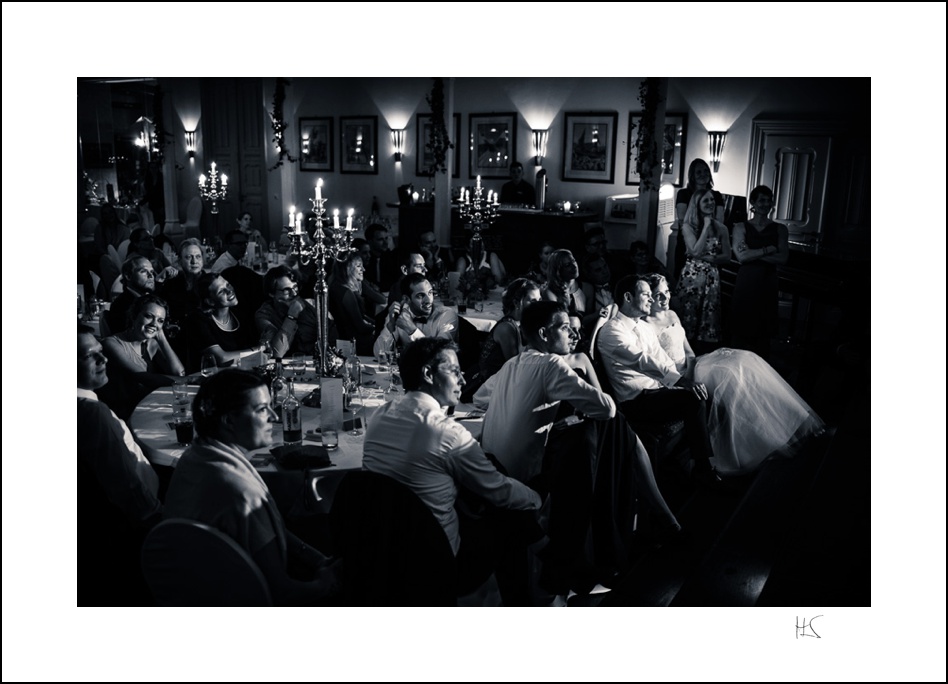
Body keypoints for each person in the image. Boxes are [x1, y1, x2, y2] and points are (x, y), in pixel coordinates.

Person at [476, 301, 680, 590]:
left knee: (589, 434)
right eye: (564, 327)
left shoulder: (512, 364)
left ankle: (652, 519)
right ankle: (643, 524)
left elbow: (480, 398)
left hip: (496, 469)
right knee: (613, 425)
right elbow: (606, 408)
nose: (571, 333)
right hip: (526, 479)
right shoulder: (550, 364)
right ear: (545, 333)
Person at [362, 338, 543, 604]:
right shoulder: (446, 432)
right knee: (510, 515)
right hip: (436, 562)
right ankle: (529, 598)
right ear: (427, 374)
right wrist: (536, 499)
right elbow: (500, 491)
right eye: (455, 371)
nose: (462, 379)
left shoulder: (379, 415)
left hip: (382, 551)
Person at [162, 369, 340, 606]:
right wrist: (325, 584)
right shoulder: (239, 491)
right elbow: (282, 592)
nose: (275, 417)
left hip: (192, 588)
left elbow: (266, 530)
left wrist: (316, 558)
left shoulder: (194, 457)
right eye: (261, 410)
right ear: (228, 420)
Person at [644, 273, 823, 474]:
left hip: (696, 366)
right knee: (730, 376)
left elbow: (689, 352)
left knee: (745, 360)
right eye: (659, 294)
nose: (665, 297)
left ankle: (791, 425)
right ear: (648, 297)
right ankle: (755, 445)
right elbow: (657, 366)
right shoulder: (646, 326)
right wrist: (686, 379)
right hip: (679, 377)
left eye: (667, 291)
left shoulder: (672, 315)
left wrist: (694, 368)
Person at [596, 275, 724, 486]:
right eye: (646, 294)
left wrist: (679, 382)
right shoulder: (612, 331)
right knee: (692, 400)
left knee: (703, 394)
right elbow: (642, 361)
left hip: (656, 392)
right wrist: (682, 383)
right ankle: (703, 470)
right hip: (635, 401)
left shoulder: (644, 327)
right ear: (628, 297)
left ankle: (688, 465)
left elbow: (661, 359)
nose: (650, 299)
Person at [78, 323, 162, 605]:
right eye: (88, 355)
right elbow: (126, 485)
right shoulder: (91, 414)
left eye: (101, 352)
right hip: (134, 533)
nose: (103, 360)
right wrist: (161, 524)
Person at [101, 294, 188, 416]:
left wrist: (161, 338)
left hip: (146, 407)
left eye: (160, 320)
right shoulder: (112, 343)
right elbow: (144, 378)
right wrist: (189, 380)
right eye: (148, 316)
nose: (154, 323)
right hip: (122, 413)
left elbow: (178, 373)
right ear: (134, 316)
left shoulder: (152, 344)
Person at [730, 184, 789, 359]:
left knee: (763, 335)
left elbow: (783, 258)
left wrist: (752, 254)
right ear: (753, 203)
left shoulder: (780, 229)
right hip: (746, 282)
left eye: (769, 200)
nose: (765, 204)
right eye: (761, 200)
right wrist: (768, 249)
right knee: (740, 330)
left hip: (767, 282)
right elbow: (741, 258)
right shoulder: (740, 227)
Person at [461, 277, 540, 401]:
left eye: (539, 300)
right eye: (533, 301)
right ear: (517, 302)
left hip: (505, 382)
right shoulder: (506, 328)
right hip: (488, 388)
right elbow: (517, 366)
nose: (538, 305)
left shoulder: (520, 324)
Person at [673, 187, 731, 347]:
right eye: (706, 200)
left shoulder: (722, 228)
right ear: (696, 204)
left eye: (712, 199)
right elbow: (695, 250)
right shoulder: (687, 226)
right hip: (691, 277)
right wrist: (705, 227)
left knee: (707, 321)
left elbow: (727, 256)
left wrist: (710, 257)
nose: (710, 203)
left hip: (711, 278)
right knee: (687, 318)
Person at [186, 272, 264, 370]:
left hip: (239, 374)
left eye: (228, 285)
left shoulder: (239, 314)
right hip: (209, 380)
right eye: (221, 291)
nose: (229, 290)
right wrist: (258, 350)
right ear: (210, 301)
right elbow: (222, 358)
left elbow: (260, 358)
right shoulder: (198, 320)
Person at [373, 273, 458, 359]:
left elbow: (441, 355)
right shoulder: (400, 314)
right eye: (420, 296)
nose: (428, 300)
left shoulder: (447, 315)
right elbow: (379, 355)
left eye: (430, 293)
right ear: (406, 299)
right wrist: (390, 327)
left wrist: (411, 330)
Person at [673, 159, 724, 285]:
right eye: (699, 172)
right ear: (692, 175)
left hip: (710, 245)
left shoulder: (716, 195)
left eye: (706, 171)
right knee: (685, 283)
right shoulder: (684, 194)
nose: (703, 174)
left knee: (708, 282)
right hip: (688, 243)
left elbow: (719, 222)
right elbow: (683, 220)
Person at [255, 265, 322, 358]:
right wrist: (291, 316)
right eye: (286, 290)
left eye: (295, 287)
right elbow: (277, 352)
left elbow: (332, 337)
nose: (294, 293)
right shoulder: (264, 315)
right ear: (271, 293)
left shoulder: (311, 304)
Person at [327, 251, 376, 355]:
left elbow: (361, 316)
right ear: (348, 269)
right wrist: (379, 328)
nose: (363, 269)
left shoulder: (335, 286)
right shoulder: (346, 293)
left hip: (346, 340)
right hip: (355, 343)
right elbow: (360, 326)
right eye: (359, 266)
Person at [106, 256, 157, 335]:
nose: (151, 276)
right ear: (128, 276)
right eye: (143, 271)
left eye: (152, 272)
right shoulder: (121, 306)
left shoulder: (149, 298)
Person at [541, 248, 586, 318]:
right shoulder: (549, 292)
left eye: (574, 261)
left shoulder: (587, 288)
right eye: (568, 265)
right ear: (558, 270)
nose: (574, 266)